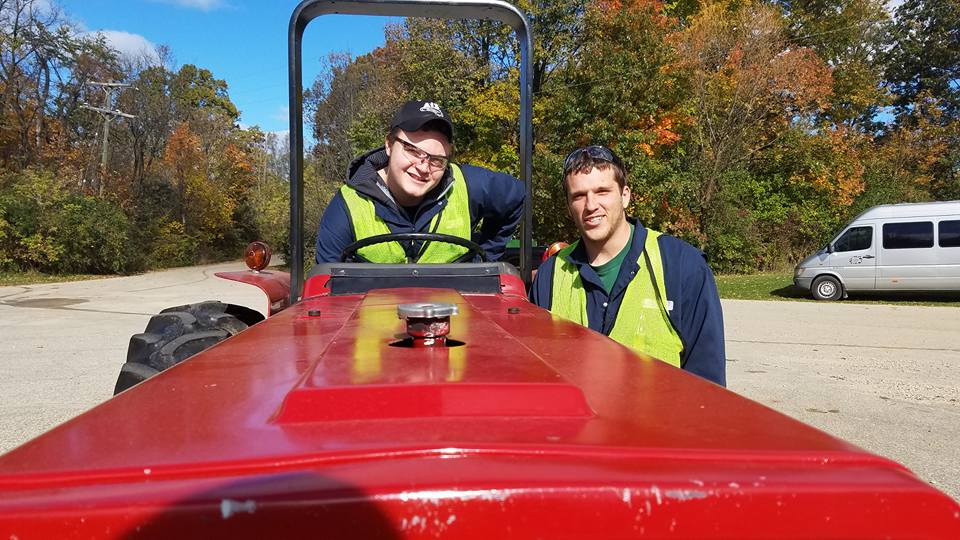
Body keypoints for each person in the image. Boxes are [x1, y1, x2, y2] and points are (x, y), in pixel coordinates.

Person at [529, 145, 725, 386]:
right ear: (569, 207)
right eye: (579, 196)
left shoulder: (681, 265)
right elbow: (537, 377)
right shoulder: (550, 276)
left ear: (625, 195)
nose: (591, 206)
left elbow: (708, 386)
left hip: (658, 424)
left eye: (602, 191)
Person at [315, 100, 525, 264]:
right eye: (413, 151)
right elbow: (326, 291)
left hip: (455, 313)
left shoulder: (470, 185)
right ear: (389, 144)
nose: (423, 167)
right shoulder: (347, 206)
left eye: (436, 160)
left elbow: (517, 195)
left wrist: (484, 261)